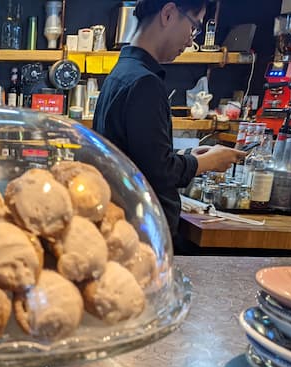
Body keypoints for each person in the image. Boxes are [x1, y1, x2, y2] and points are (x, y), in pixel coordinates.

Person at [93, 0, 245, 245]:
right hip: (144, 232)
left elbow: (138, 158)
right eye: (194, 27)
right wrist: (208, 162)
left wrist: (186, 155)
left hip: (128, 225)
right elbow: (159, 171)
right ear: (168, 14)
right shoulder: (145, 82)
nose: (190, 42)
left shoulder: (123, 72)